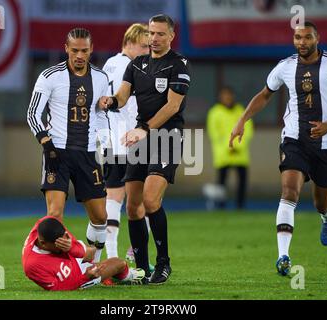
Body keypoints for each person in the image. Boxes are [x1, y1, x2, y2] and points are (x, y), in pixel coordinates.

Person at [229, 21, 327, 276]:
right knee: (289, 192)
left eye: (307, 38)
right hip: (294, 139)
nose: (302, 42)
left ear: (317, 38)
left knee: (321, 203)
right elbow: (265, 94)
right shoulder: (285, 66)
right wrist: (242, 120)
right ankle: (283, 256)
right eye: (298, 38)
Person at [99, 14, 191, 284]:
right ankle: (141, 268)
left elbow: (173, 106)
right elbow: (124, 96)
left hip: (166, 137)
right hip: (142, 139)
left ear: (171, 36)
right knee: (133, 208)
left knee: (151, 201)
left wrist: (144, 129)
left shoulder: (179, 64)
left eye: (160, 34)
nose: (154, 38)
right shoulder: (137, 65)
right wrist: (111, 101)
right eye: (151, 33)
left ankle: (163, 263)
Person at [27, 28, 110, 263]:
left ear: (91, 49)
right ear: (66, 49)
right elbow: (33, 113)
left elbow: (102, 115)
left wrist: (105, 145)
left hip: (87, 154)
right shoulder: (49, 76)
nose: (80, 55)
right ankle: (59, 268)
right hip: (57, 154)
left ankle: (92, 265)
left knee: (100, 216)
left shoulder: (101, 78)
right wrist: (46, 143)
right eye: (75, 50)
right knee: (54, 217)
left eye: (84, 50)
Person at [101, 23, 152, 264]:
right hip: (134, 140)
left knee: (113, 199)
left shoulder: (108, 64)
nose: (146, 52)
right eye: (143, 46)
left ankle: (112, 258)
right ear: (129, 43)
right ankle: (136, 253)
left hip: (112, 140)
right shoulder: (134, 67)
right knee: (147, 201)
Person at [22, 216, 145, 291]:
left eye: (64, 240)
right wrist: (86, 277)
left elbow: (89, 253)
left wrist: (69, 247)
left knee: (91, 251)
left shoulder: (45, 224)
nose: (62, 244)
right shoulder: (32, 264)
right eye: (58, 244)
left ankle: (116, 277)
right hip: (80, 278)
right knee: (120, 263)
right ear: (43, 244)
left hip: (73, 260)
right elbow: (57, 288)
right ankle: (128, 277)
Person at [206, 86, 254, 209]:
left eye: (229, 95)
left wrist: (238, 146)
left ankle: (240, 206)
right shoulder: (214, 112)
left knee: (242, 182)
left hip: (240, 154)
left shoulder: (241, 111)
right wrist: (229, 148)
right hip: (223, 154)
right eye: (224, 95)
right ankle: (221, 206)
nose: (227, 98)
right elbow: (214, 133)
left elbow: (248, 130)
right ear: (220, 97)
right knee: (221, 182)